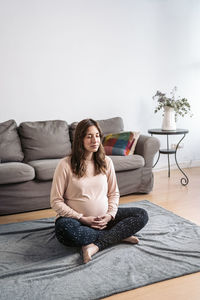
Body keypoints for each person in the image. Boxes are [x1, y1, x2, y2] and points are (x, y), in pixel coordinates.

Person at [50, 118, 148, 264]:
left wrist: (110, 215)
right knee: (66, 232)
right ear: (80, 139)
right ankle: (118, 235)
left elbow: (113, 193)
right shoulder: (65, 165)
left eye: (97, 135)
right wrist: (82, 218)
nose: (94, 140)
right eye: (89, 136)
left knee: (141, 214)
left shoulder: (106, 162)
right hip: (76, 221)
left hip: (104, 220)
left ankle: (95, 245)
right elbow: (56, 201)